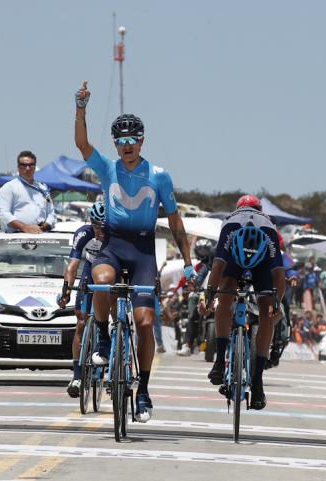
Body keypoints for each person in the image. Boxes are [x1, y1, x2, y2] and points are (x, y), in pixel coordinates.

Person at [74, 80, 195, 422]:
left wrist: (187, 263)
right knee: (100, 279)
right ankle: (101, 337)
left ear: (142, 140)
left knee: (144, 323)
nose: (127, 145)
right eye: (121, 140)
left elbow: (174, 220)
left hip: (143, 250)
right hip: (113, 245)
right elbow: (82, 144)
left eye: (132, 139)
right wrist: (81, 108)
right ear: (116, 143)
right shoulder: (108, 168)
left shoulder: (159, 175)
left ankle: (142, 390)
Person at [205, 194, 286, 410]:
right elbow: (279, 274)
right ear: (261, 209)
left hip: (245, 261)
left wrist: (209, 298)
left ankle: (220, 362)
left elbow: (217, 267)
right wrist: (277, 305)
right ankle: (257, 382)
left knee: (224, 300)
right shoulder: (265, 226)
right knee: (268, 312)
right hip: (248, 261)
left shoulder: (232, 224)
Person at [58, 202, 105, 398]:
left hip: (108, 272)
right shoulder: (83, 234)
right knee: (81, 323)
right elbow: (72, 266)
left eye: (103, 227)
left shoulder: (116, 235)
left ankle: (105, 352)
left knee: (109, 318)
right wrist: (66, 290)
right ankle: (77, 375)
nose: (99, 231)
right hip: (89, 271)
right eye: (96, 226)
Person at [0, 151, 56, 234]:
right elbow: (3, 213)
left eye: (31, 165)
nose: (27, 168)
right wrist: (23, 227)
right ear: (18, 167)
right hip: (15, 236)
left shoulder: (43, 188)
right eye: (23, 165)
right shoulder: (9, 187)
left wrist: (46, 225)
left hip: (41, 234)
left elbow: (51, 213)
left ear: (35, 167)